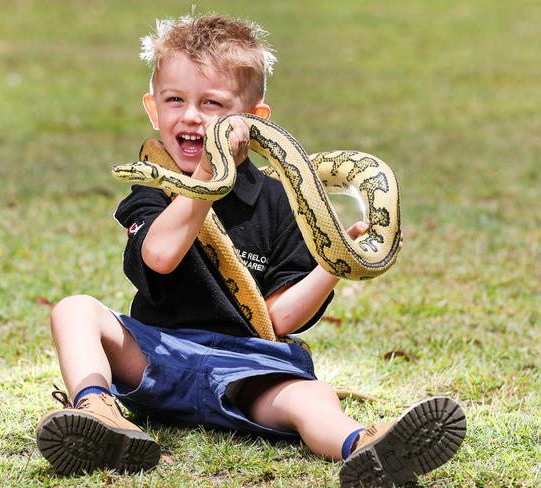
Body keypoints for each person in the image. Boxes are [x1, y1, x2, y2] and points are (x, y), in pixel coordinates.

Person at [35, 13, 465, 486]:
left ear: (254, 121)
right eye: (174, 100)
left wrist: (338, 260)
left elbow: (278, 319)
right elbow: (159, 257)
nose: (192, 115)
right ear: (153, 109)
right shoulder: (153, 188)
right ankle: (100, 414)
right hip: (159, 359)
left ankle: (364, 446)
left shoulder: (287, 201)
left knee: (311, 396)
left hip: (251, 368)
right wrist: (204, 181)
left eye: (212, 103)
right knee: (75, 310)